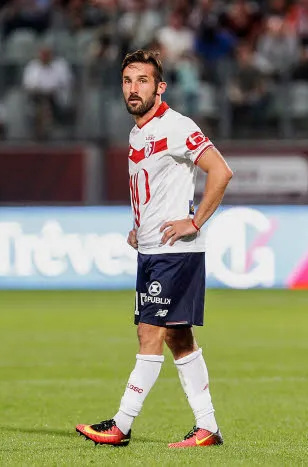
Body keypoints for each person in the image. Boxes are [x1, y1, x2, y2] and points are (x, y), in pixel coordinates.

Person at [75, 50, 233, 448]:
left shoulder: (177, 126)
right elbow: (155, 189)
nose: (133, 89)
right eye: (127, 81)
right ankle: (208, 428)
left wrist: (194, 222)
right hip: (151, 249)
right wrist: (139, 227)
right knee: (178, 338)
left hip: (175, 253)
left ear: (160, 87)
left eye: (142, 81)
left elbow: (221, 171)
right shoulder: (137, 133)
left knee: (149, 333)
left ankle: (120, 426)